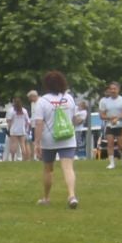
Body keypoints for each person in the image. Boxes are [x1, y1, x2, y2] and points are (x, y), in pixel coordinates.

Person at [32, 70, 82, 210]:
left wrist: (37, 142)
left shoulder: (42, 101)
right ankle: (72, 195)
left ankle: (46, 198)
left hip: (49, 139)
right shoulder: (69, 98)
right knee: (68, 168)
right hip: (67, 137)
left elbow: (39, 123)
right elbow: (74, 118)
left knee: (48, 169)